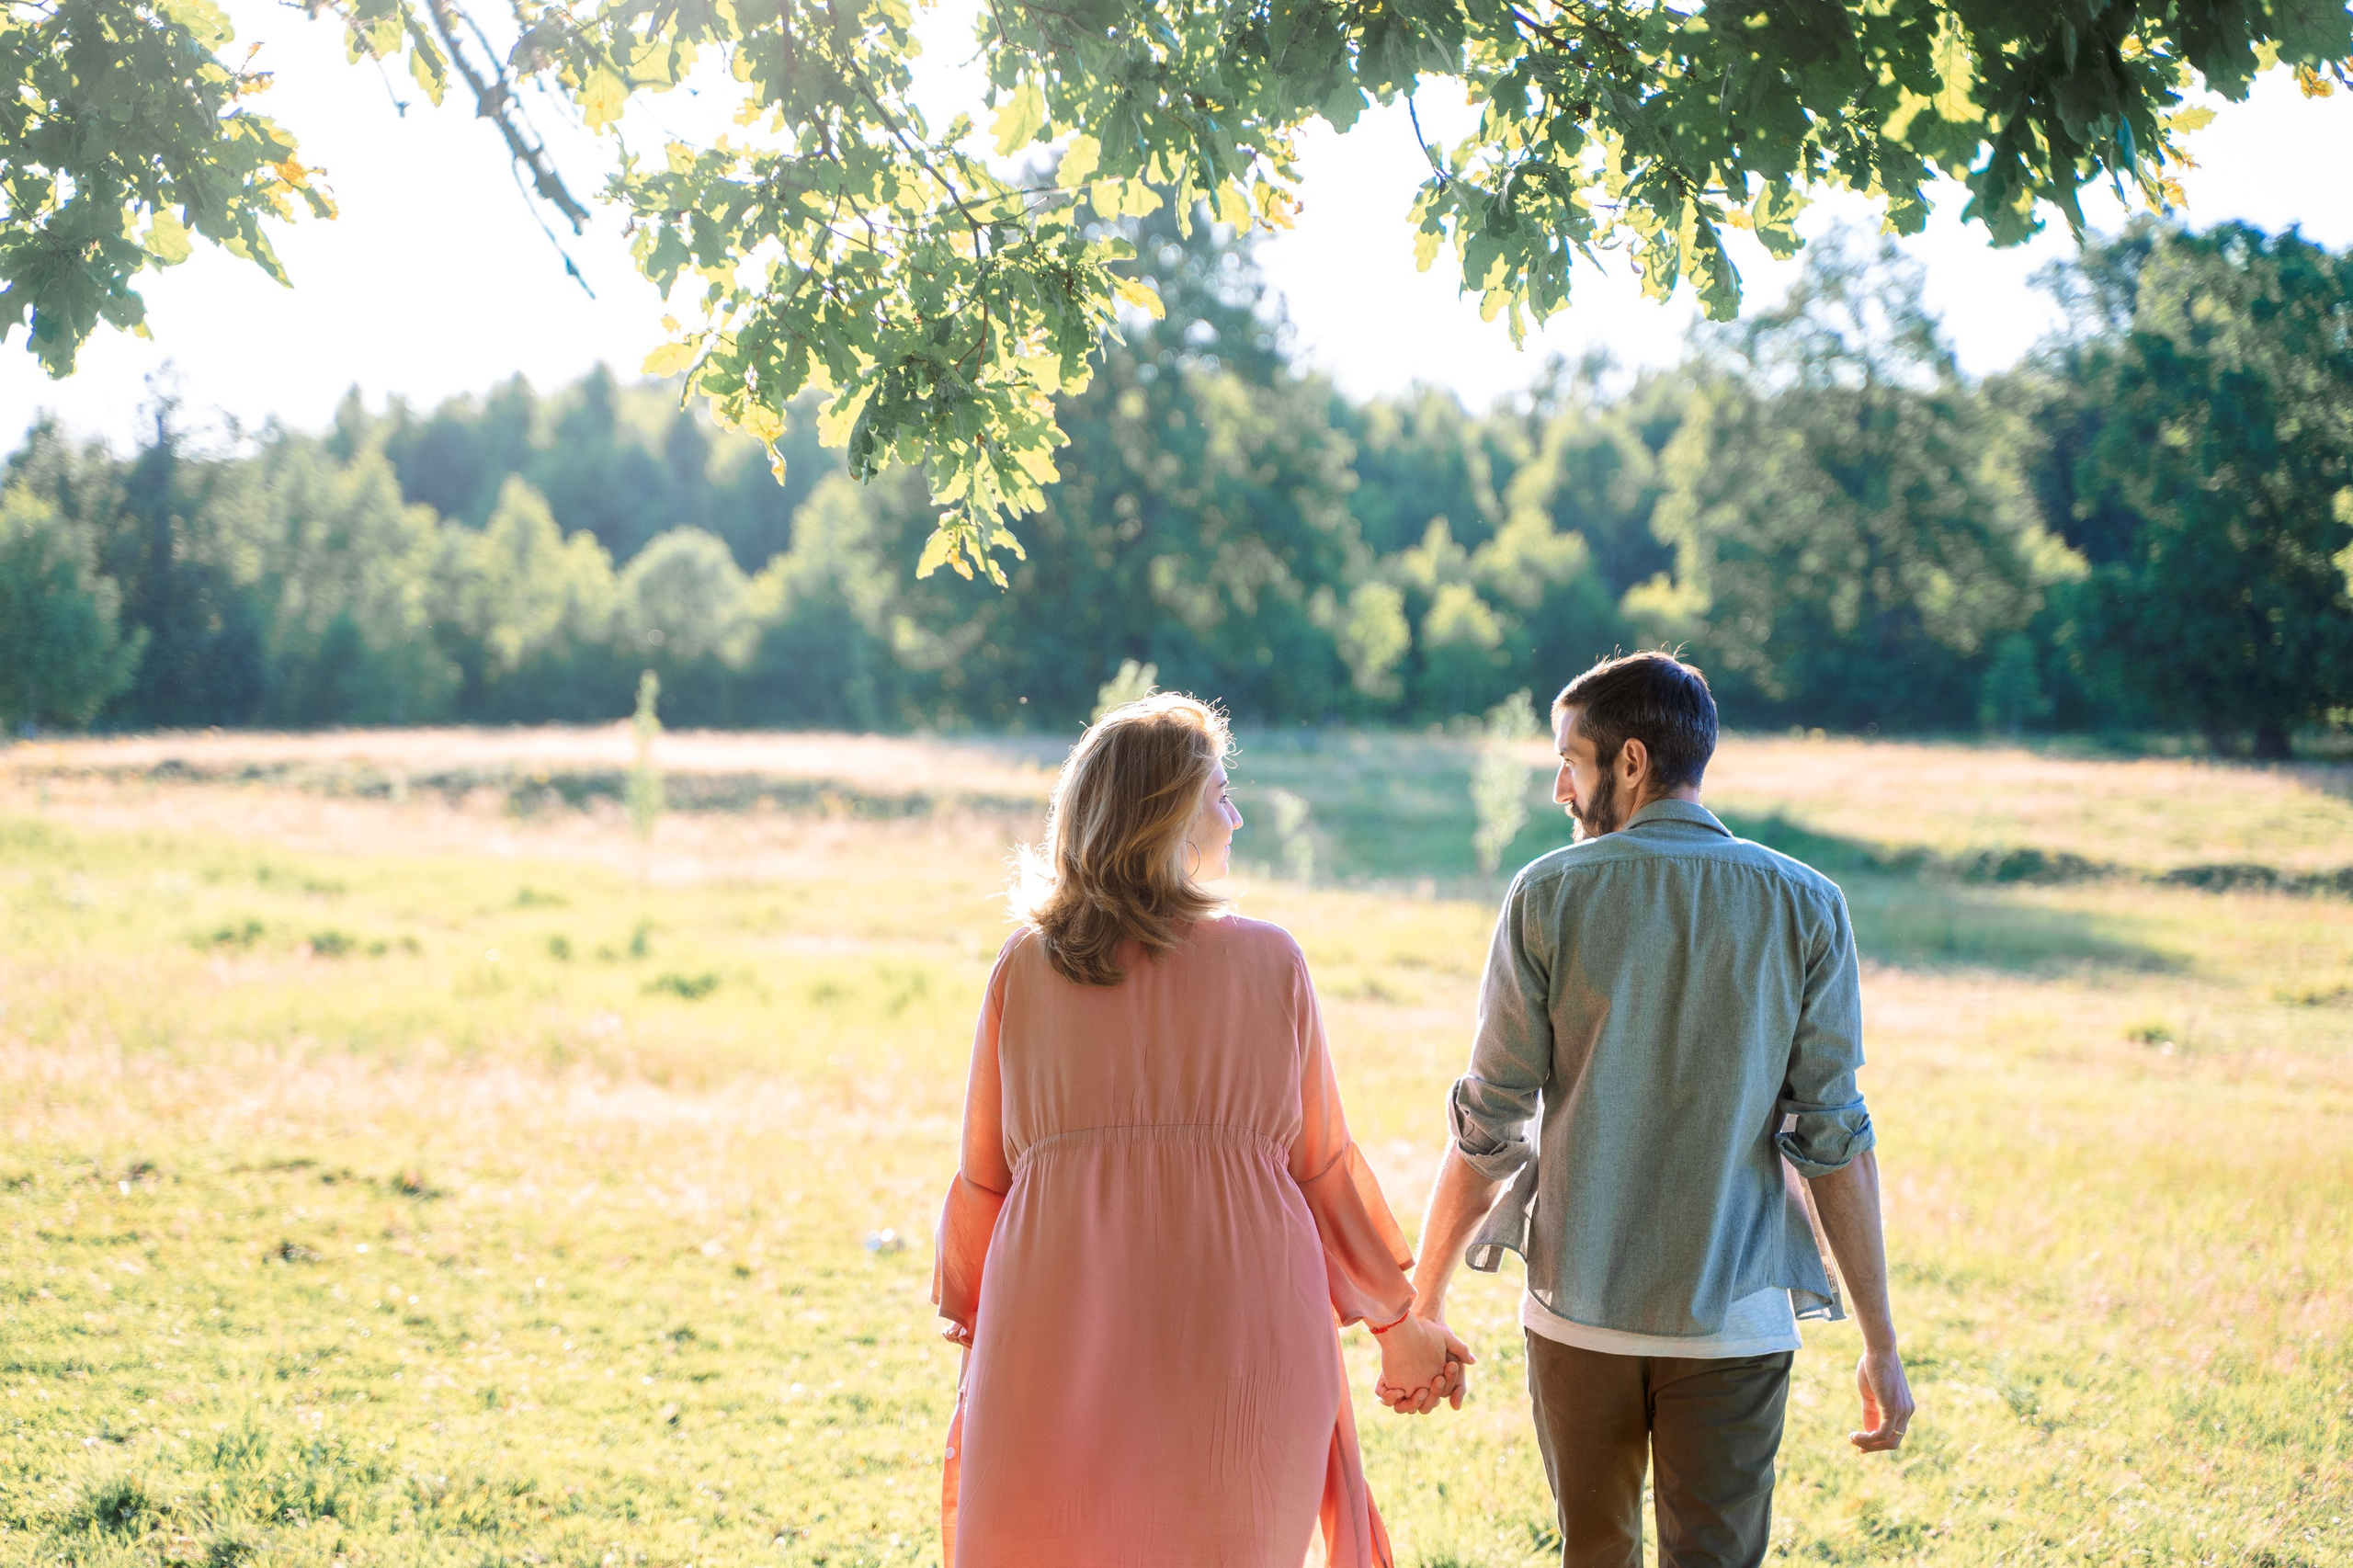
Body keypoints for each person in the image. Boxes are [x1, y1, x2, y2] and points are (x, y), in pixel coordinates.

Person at [1383, 650, 1915, 1568]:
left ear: (1629, 762)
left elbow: (1490, 1124)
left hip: (1576, 1313)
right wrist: (1880, 1342)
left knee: (1594, 1552)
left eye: (1568, 758)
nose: (1557, 784)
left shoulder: (1548, 893)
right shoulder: (1808, 903)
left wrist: (1424, 1301)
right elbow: (1833, 1137)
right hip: (1737, 1321)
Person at [932, 693, 1471, 1568]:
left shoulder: (1026, 969)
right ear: (1170, 815)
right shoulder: (1270, 962)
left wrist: (976, 1322)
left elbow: (985, 1179)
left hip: (1055, 1323)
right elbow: (1321, 1167)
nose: (1238, 814)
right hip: (1239, 1327)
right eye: (1221, 792)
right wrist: (1394, 1321)